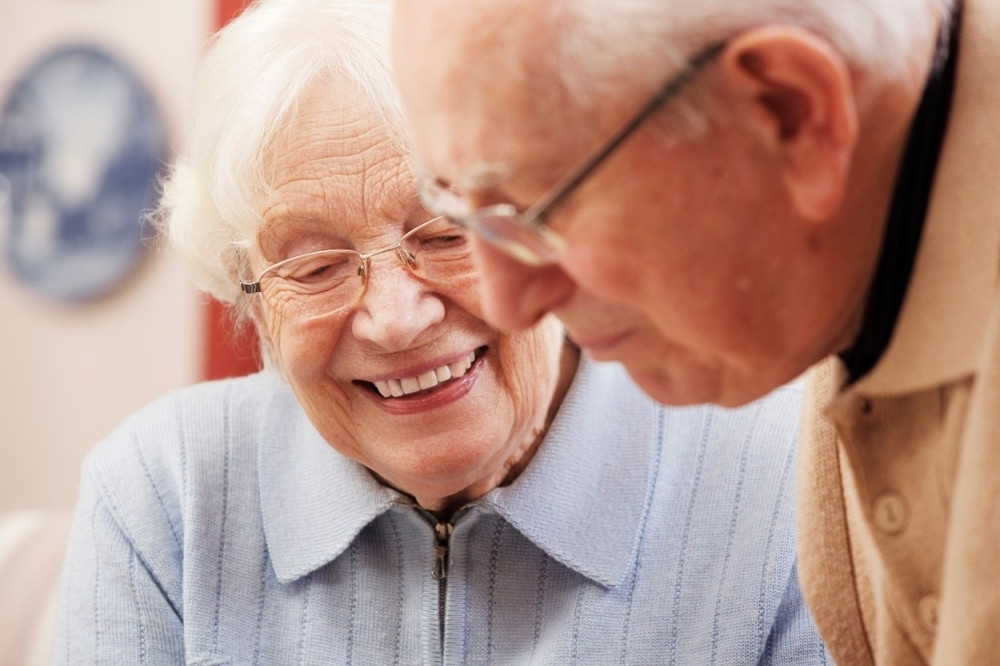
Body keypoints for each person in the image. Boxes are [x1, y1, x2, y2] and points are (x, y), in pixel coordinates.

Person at [51, 0, 830, 663]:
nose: (395, 320)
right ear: (251, 298)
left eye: (446, 230)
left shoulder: (783, 484)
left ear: (546, 217)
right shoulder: (165, 494)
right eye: (315, 267)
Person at [390, 0, 1000, 663]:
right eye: (458, 214)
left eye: (538, 212)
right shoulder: (838, 282)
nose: (509, 303)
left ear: (790, 113)